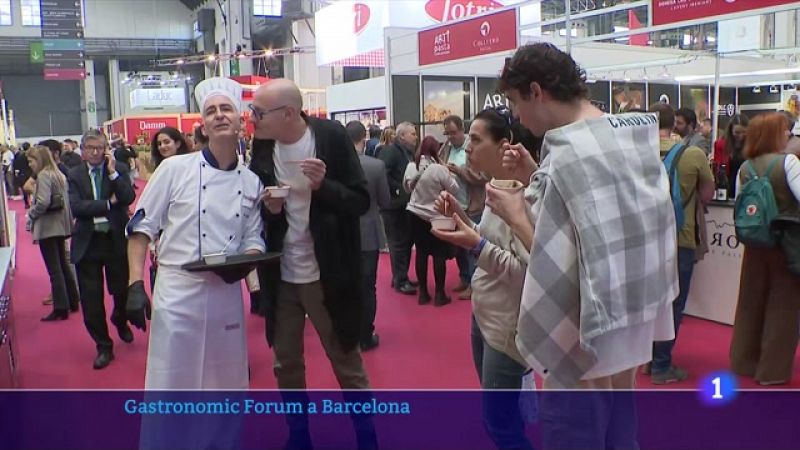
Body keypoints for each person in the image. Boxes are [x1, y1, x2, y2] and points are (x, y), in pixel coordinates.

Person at [497, 43, 676, 448]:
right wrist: (538, 176)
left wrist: (515, 214)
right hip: (630, 319)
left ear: (536, 91)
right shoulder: (628, 136)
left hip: (582, 333)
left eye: (515, 101)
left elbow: (559, 260)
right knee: (620, 434)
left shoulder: (567, 153)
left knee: (574, 432)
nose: (517, 115)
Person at [248, 78, 376, 450]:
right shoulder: (262, 145)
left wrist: (325, 187)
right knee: (285, 363)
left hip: (328, 272)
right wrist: (270, 210)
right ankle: (298, 435)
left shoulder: (331, 137)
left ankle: (367, 436)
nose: (252, 118)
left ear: (288, 113)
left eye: (259, 112)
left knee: (346, 359)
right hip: (281, 273)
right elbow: (261, 207)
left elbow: (360, 202)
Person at [126, 77, 265, 391]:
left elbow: (254, 238)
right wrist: (135, 283)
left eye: (226, 108)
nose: (219, 115)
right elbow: (140, 229)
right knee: (172, 383)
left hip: (226, 293)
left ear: (240, 119)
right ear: (203, 124)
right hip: (177, 291)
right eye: (211, 110)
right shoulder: (174, 169)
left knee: (226, 382)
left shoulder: (252, 181)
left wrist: (248, 261)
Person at [432, 106, 539, 450]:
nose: (468, 148)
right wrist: (462, 218)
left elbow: (528, 272)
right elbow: (491, 240)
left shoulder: (525, 196)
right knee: (500, 416)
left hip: (508, 324)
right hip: (485, 312)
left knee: (500, 424)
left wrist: (475, 245)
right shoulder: (497, 186)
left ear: (504, 144)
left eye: (475, 140)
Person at [730, 112, 800, 386]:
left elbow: (739, 203)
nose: (788, 135)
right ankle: (772, 371)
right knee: (784, 306)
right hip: (788, 244)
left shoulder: (745, 167)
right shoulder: (789, 163)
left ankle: (743, 361)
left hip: (755, 244)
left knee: (750, 303)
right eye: (784, 131)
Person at [647, 103, 715, 384]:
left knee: (648, 303)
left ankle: (647, 360)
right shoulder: (693, 154)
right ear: (673, 123)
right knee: (674, 303)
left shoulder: (637, 154)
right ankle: (662, 364)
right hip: (680, 237)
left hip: (644, 241)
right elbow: (708, 193)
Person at [68, 129, 136, 369]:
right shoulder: (74, 174)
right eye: (91, 148)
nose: (96, 153)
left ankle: (120, 318)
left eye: (100, 148)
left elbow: (127, 198)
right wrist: (107, 204)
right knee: (91, 299)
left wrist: (114, 172)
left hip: (114, 240)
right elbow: (77, 207)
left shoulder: (118, 171)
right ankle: (104, 345)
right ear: (83, 150)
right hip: (88, 243)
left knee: (121, 291)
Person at [347, 120, 390, 351]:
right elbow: (384, 201)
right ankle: (365, 334)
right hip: (369, 233)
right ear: (364, 137)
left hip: (343, 234)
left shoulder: (334, 166)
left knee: (347, 284)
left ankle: (348, 332)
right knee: (367, 285)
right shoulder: (376, 166)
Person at [25, 145, 80, 321]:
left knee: (54, 270)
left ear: (39, 160)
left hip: (48, 228)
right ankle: (72, 300)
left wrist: (31, 214)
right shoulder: (58, 174)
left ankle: (60, 307)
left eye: (31, 161)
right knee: (63, 266)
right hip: (60, 226)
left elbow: (42, 202)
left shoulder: (43, 176)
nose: (30, 164)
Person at [439, 114, 490, 300]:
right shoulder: (446, 148)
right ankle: (464, 277)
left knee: (473, 248)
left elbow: (483, 176)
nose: (450, 137)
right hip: (454, 205)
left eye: (453, 132)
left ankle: (474, 285)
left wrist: (458, 171)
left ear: (462, 130)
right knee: (459, 247)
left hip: (473, 205)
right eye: (447, 133)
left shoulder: (473, 148)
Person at [404, 136, 458, 306]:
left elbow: (407, 188)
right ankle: (440, 294)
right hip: (436, 215)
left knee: (421, 252)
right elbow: (454, 189)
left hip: (415, 214)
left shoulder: (412, 166)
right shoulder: (438, 169)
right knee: (439, 254)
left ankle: (423, 293)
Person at [146, 127, 190, 291]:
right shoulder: (159, 171)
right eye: (159, 144)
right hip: (164, 235)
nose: (163, 147)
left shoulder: (190, 168)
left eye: (166, 142)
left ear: (178, 143)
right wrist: (153, 241)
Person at [378, 122, 419, 295]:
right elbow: (382, 173)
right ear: (402, 136)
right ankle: (400, 280)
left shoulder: (406, 153)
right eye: (412, 134)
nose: (416, 137)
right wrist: (399, 189)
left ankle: (401, 277)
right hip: (394, 206)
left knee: (405, 242)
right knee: (398, 243)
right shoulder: (390, 151)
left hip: (404, 205)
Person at [713, 114, 749, 198]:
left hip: (746, 184)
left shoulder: (752, 144)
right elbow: (718, 168)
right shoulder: (720, 145)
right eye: (737, 133)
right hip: (728, 185)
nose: (741, 136)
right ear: (730, 131)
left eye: (744, 132)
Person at [13, 142, 33, 207]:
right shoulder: (31, 155)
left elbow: (15, 164)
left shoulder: (18, 155)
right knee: (32, 188)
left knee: (24, 189)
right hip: (31, 173)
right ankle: (33, 201)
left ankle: (26, 203)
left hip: (22, 174)